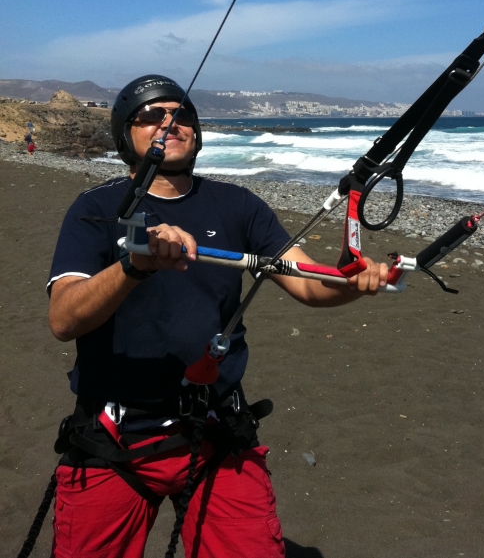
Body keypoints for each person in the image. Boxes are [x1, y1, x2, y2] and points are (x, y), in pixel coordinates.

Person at [47, 74, 388, 558]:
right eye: (151, 115)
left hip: (215, 431)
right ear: (125, 134)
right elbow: (64, 319)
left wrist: (352, 280)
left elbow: (310, 284)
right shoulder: (95, 208)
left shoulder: (238, 204)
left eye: (182, 114)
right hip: (113, 436)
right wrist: (133, 266)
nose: (170, 123)